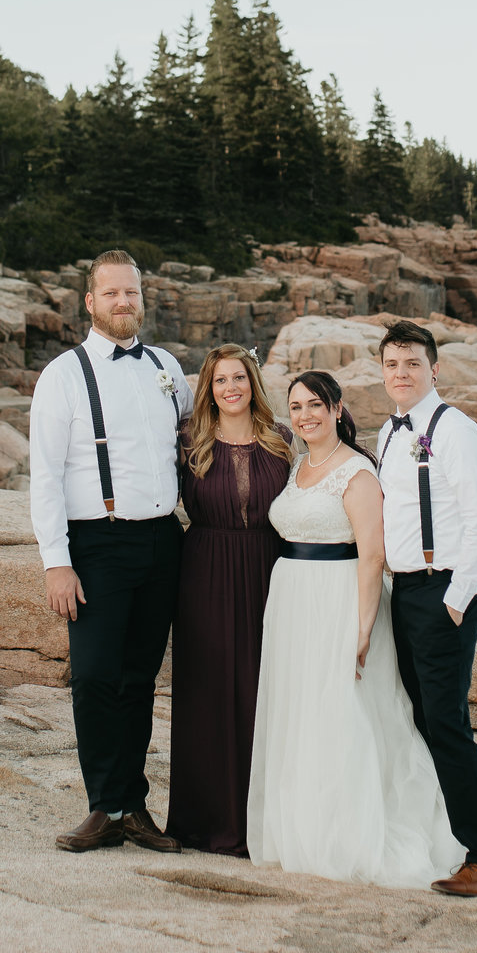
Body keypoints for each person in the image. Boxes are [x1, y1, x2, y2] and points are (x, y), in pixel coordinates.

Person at [246, 369, 462, 888]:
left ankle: (351, 834)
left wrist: (363, 627)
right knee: (301, 714)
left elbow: (372, 555)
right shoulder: (298, 466)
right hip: (294, 602)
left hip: (340, 600)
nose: (305, 416)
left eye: (316, 405)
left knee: (344, 713)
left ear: (338, 408)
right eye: (295, 407)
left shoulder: (358, 472)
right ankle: (304, 827)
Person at [28, 250, 191, 854]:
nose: (125, 303)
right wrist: (56, 560)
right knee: (95, 676)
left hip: (161, 541)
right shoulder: (63, 375)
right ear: (90, 302)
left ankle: (134, 807)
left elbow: (190, 445)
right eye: (112, 294)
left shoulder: (167, 366)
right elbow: (43, 475)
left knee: (140, 680)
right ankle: (104, 806)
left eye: (133, 293)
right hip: (96, 542)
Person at [374, 320, 477, 896]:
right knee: (425, 719)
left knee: (448, 723)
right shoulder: (387, 431)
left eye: (411, 364)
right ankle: (454, 839)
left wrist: (457, 600)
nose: (401, 374)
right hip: (404, 592)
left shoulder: (456, 431)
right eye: (391, 365)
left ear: (435, 370)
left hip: (443, 591)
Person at [164, 344, 290, 855]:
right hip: (205, 572)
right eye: (219, 381)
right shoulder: (188, 440)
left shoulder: (281, 439)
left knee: (263, 693)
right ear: (208, 389)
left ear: (252, 383)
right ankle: (205, 820)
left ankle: (262, 819)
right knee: (208, 693)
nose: (230, 388)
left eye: (238, 378)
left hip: (269, 571)